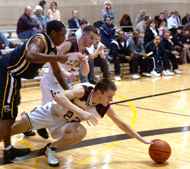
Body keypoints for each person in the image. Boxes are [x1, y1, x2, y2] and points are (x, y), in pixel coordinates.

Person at [11, 79, 152, 167]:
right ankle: (29, 118)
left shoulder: (104, 106)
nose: (111, 100)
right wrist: (81, 112)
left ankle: (51, 149)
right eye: (109, 96)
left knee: (80, 132)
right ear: (98, 92)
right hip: (50, 113)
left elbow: (121, 124)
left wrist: (142, 139)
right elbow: (59, 96)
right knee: (10, 131)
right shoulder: (84, 90)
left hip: (64, 125)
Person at [0, 20, 80, 163]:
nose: (63, 39)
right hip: (7, 72)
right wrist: (57, 57)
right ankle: (7, 151)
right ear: (53, 33)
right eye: (62, 35)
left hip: (14, 76)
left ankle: (8, 148)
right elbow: (30, 55)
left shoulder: (51, 49)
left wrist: (69, 92)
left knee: (11, 114)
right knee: (7, 115)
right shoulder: (40, 39)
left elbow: (57, 72)